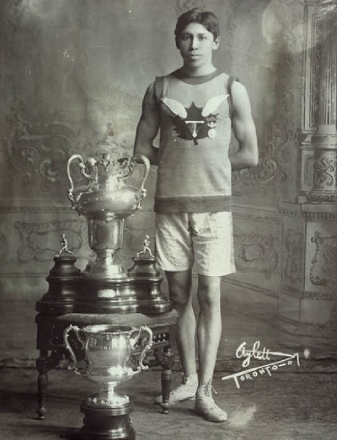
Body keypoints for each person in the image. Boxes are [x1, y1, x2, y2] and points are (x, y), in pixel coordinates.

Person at [133, 8, 258, 423]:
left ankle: (206, 390)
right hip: (170, 207)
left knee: (210, 296)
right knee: (179, 297)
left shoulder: (232, 88)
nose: (194, 45)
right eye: (187, 37)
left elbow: (250, 154)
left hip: (214, 210)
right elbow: (142, 149)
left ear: (215, 42)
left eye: (202, 37)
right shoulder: (160, 87)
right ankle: (188, 378)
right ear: (176, 41)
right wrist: (170, 162)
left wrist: (213, 169)